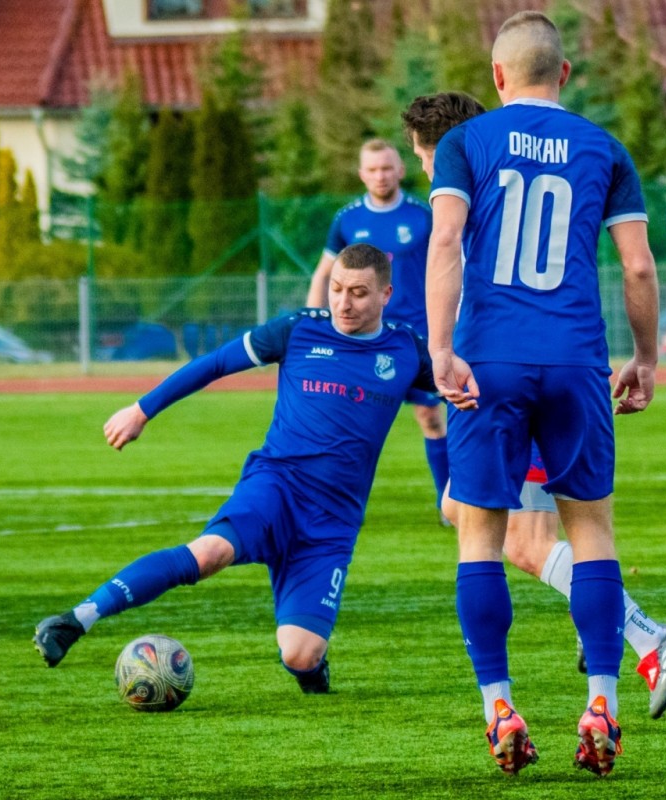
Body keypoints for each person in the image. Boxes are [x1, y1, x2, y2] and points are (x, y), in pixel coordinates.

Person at [424, 13, 666, 777]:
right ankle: (601, 702)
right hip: (576, 359)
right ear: (564, 74)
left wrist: (441, 349)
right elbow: (638, 267)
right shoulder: (603, 148)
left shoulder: (465, 142)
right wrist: (645, 357)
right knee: (593, 532)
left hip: (490, 363)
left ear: (497, 76)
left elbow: (446, 241)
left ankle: (499, 707)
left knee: (480, 537)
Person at [33, 244, 436, 695]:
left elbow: (469, 392)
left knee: (300, 655)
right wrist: (142, 410)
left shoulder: (407, 349)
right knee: (208, 554)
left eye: (358, 293)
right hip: (275, 487)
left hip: (333, 520)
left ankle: (312, 668)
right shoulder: (298, 330)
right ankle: (75, 620)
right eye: (336, 288)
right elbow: (217, 363)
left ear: (386, 294)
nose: (343, 302)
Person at [306, 140, 449, 521]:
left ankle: (447, 503)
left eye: (386, 168)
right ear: (361, 174)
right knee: (343, 419)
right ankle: (329, 503)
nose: (380, 176)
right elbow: (323, 275)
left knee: (431, 417)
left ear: (400, 170)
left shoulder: (424, 215)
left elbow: (450, 267)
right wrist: (316, 326)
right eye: (372, 169)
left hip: (416, 337)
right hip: (362, 341)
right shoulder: (347, 219)